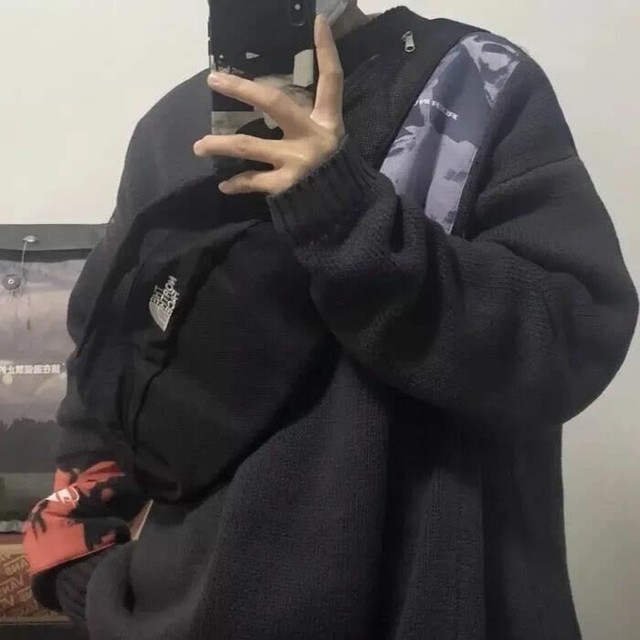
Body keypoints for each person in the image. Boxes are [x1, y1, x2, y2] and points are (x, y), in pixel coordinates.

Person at [23, 2, 637, 639]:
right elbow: (106, 368)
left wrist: (343, 211)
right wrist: (79, 568)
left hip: (423, 610)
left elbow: (571, 341)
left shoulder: (477, 82)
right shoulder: (169, 129)